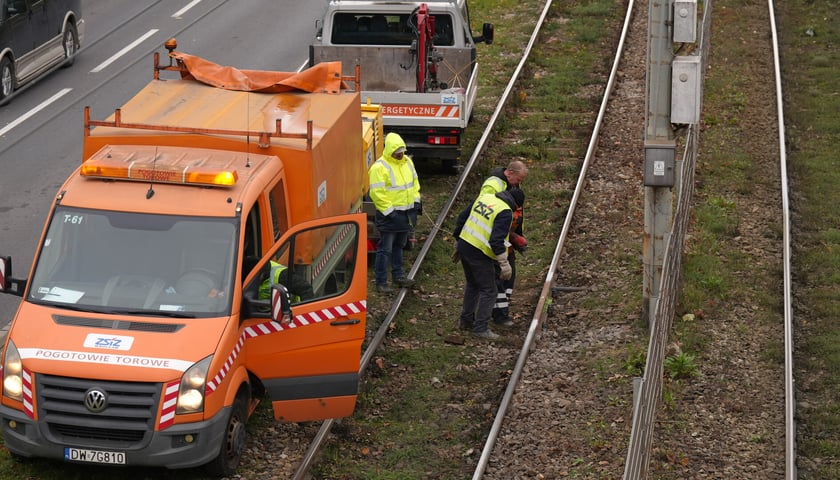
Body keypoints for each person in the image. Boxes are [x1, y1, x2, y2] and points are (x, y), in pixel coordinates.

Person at [453, 188, 525, 339]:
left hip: (465, 244)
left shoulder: (485, 197)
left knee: (473, 284)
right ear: (516, 205)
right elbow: (496, 240)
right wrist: (504, 264)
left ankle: (466, 321)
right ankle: (480, 328)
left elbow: (462, 217)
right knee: (489, 289)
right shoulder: (505, 212)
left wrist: (458, 242)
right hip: (479, 252)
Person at [368, 132, 421, 293]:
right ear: (390, 150)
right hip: (391, 217)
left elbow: (414, 185)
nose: (400, 154)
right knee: (385, 249)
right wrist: (390, 213)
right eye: (397, 151)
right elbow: (377, 193)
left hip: (405, 215)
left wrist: (416, 202)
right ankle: (381, 281)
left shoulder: (408, 163)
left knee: (399, 246)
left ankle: (398, 276)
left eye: (402, 151)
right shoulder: (379, 167)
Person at [492, 188, 526, 326]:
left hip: (507, 249)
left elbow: (516, 230)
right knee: (499, 283)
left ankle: (502, 309)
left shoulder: (516, 210)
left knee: (509, 281)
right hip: (496, 250)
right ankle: (500, 315)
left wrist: (519, 242)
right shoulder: (503, 210)